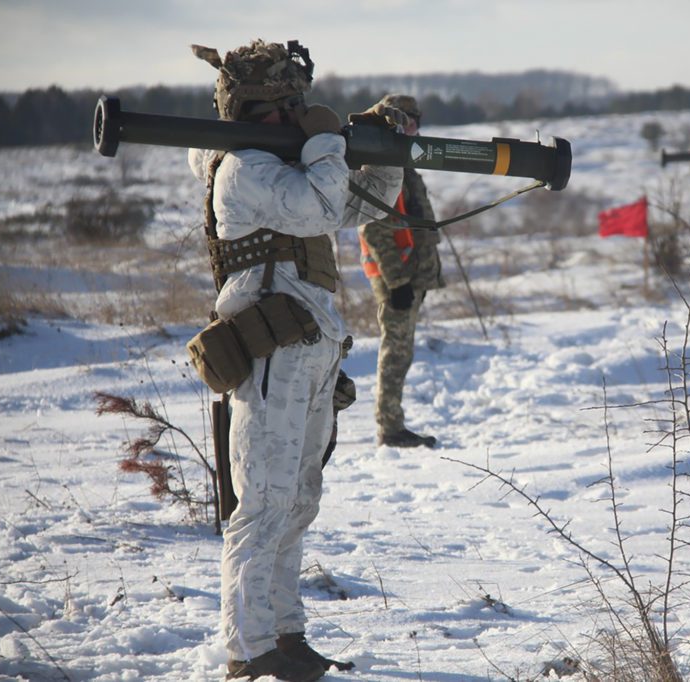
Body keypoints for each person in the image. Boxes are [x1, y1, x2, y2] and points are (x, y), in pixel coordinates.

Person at [188, 39, 406, 681]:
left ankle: (285, 635)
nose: (293, 117)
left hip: (309, 349)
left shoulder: (285, 162)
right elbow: (316, 202)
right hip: (268, 353)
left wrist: (384, 148)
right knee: (261, 504)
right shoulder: (242, 168)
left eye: (298, 106)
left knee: (298, 500)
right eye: (282, 108)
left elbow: (349, 207)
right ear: (252, 111)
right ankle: (248, 650)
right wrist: (326, 144)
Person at [357, 94, 445, 449]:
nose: (416, 128)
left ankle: (392, 424)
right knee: (395, 352)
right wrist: (397, 282)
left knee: (401, 352)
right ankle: (389, 428)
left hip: (410, 276)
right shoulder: (383, 165)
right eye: (410, 120)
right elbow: (374, 227)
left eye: (417, 121)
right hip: (397, 278)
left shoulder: (401, 163)